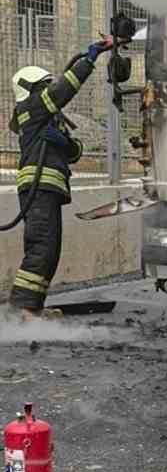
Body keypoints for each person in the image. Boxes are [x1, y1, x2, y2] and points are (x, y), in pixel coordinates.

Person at [8, 38, 114, 315]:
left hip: (47, 188)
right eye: (43, 84)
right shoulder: (30, 108)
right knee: (41, 247)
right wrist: (89, 60)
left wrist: (66, 144)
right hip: (37, 187)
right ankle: (23, 309)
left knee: (49, 249)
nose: (47, 88)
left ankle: (31, 308)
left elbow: (75, 151)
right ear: (31, 89)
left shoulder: (44, 116)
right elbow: (63, 89)